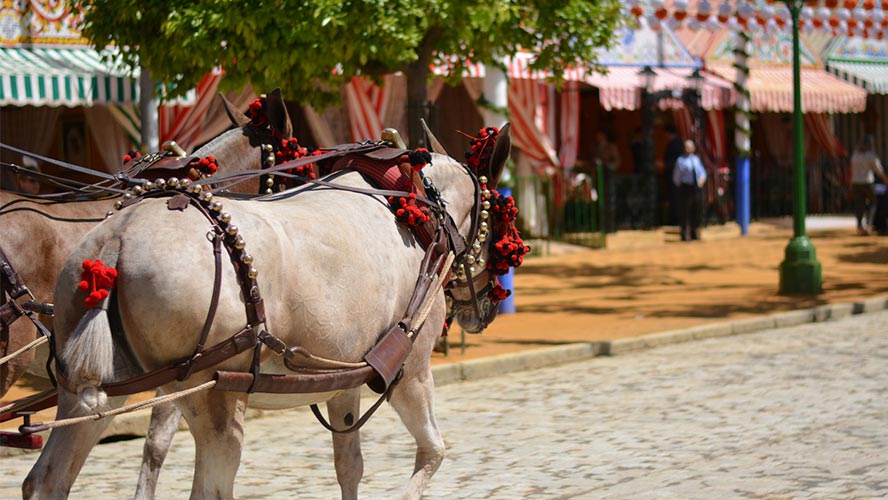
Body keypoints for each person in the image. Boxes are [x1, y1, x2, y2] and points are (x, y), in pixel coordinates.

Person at [850, 134, 888, 235]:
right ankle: (869, 224)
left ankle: (859, 227)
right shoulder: (871, 155)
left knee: (859, 205)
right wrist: (885, 179)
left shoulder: (855, 155)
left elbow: (852, 169)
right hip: (867, 182)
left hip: (856, 182)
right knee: (874, 202)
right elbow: (878, 169)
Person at [672, 140, 707, 241]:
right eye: (687, 147)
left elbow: (702, 173)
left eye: (690, 146)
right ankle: (684, 233)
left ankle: (695, 232)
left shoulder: (696, 159)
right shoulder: (680, 161)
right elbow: (676, 177)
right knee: (685, 211)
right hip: (685, 188)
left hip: (696, 188)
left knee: (696, 210)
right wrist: (682, 186)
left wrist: (701, 180)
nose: (689, 149)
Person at [663, 125, 684, 224]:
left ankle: (677, 220)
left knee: (676, 199)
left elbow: (675, 161)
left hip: (676, 176)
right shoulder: (674, 143)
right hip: (674, 177)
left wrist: (665, 165)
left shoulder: (676, 143)